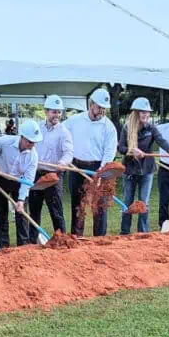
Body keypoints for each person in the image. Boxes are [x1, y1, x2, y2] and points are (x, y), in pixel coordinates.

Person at [63, 89, 117, 236]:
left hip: (99, 167)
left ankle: (99, 240)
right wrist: (65, 156)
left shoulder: (109, 127)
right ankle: (76, 237)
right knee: (77, 205)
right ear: (91, 104)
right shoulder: (74, 121)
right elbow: (61, 134)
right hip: (77, 166)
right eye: (99, 107)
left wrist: (100, 173)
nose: (102, 111)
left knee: (99, 206)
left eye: (104, 108)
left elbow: (109, 152)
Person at [118, 97, 169, 234]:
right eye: (142, 112)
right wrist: (132, 151)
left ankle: (143, 232)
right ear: (135, 113)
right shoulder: (127, 128)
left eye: (147, 112)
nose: (146, 115)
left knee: (144, 202)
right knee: (128, 202)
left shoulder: (151, 128)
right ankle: (125, 232)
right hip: (130, 170)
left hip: (147, 170)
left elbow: (161, 140)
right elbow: (121, 148)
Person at [0, 119, 41, 247]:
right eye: (30, 141)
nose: (32, 144)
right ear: (22, 137)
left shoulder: (33, 156)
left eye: (34, 142)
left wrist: (21, 199)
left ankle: (23, 246)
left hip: (19, 181)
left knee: (22, 213)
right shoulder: (4, 141)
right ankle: (3, 245)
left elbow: (28, 180)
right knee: (1, 212)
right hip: (0, 177)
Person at [29, 95, 72, 241]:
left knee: (56, 211)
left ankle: (62, 241)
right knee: (33, 211)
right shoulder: (37, 128)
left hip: (54, 176)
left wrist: (63, 162)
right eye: (54, 112)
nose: (57, 115)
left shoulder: (63, 132)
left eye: (59, 112)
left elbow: (68, 152)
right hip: (36, 174)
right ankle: (31, 242)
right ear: (46, 112)